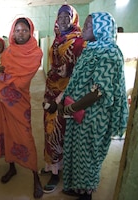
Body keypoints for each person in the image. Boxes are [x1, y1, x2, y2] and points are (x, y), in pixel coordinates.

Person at [59, 12, 129, 200]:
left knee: (88, 155)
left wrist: (71, 109)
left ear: (101, 28)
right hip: (79, 111)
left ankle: (86, 194)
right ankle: (77, 188)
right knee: (76, 151)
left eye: (89, 25)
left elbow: (99, 92)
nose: (84, 28)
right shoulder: (91, 48)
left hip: (93, 116)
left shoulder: (109, 52)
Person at [0, 17, 44, 198]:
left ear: (31, 32)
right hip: (1, 101)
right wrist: (0, 75)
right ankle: (11, 167)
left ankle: (35, 176)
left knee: (25, 135)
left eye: (24, 30)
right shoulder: (8, 51)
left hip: (18, 101)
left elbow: (21, 82)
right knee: (5, 133)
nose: (20, 34)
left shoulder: (35, 53)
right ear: (13, 31)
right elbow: (3, 69)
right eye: (17, 30)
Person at [40, 4, 85, 193]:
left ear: (74, 18)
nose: (63, 20)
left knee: (61, 132)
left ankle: (58, 174)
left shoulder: (79, 42)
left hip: (68, 95)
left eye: (67, 16)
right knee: (50, 131)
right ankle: (53, 167)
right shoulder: (57, 40)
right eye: (60, 17)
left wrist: (58, 98)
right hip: (51, 91)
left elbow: (78, 74)